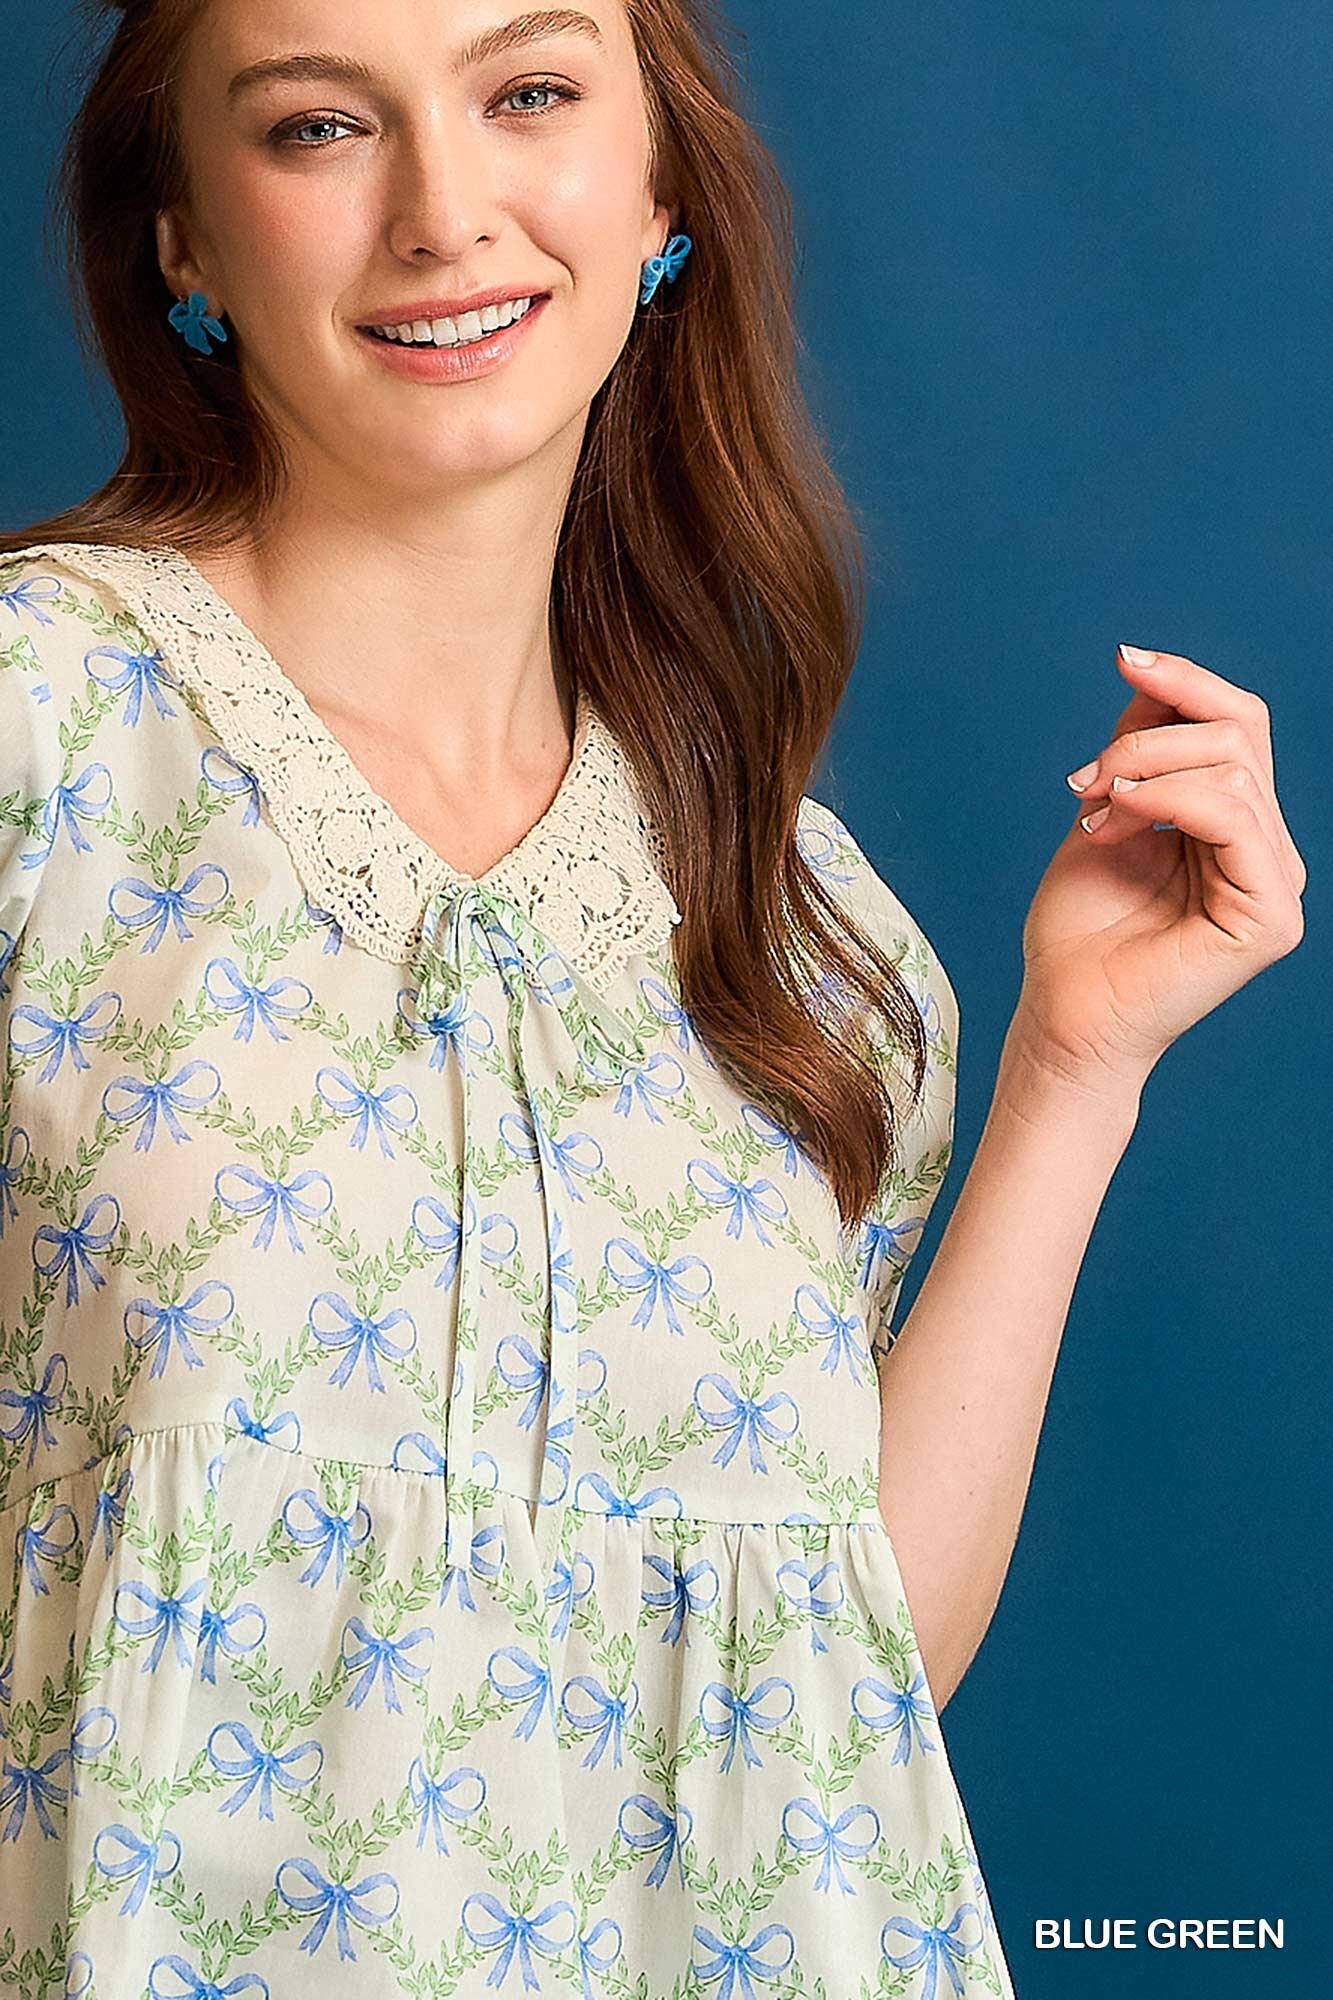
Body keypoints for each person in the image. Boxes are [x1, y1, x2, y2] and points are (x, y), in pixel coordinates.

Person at [0, 1, 1304, 1992]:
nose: (445, 211)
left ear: (660, 194)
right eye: (321, 126)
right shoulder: (44, 731)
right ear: (182, 237)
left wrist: (1074, 1067)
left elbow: (843, 1690)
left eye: (529, 93)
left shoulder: (813, 933)